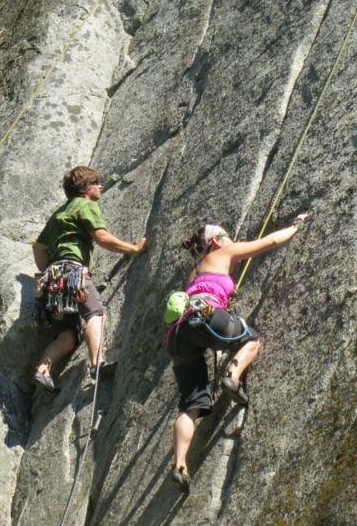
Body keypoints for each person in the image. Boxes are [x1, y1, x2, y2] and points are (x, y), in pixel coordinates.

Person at [167, 212, 310, 490]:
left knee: (191, 404)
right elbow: (268, 241)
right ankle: (232, 377)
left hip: (178, 334)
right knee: (252, 340)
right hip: (205, 316)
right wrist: (295, 226)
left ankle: (180, 464)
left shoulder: (194, 272)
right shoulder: (226, 252)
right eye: (224, 235)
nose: (229, 239)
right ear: (217, 241)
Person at [32, 165, 148, 393]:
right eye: (97, 182)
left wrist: (48, 269)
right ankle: (97, 364)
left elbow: (38, 247)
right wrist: (133, 249)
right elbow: (102, 237)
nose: (101, 186)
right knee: (95, 312)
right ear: (86, 188)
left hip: (52, 278)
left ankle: (42, 369)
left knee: (67, 335)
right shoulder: (86, 205)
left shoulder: (59, 214)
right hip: (73, 271)